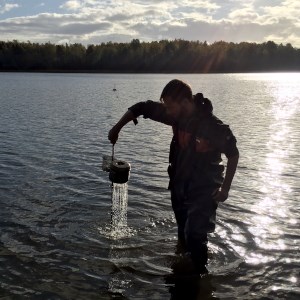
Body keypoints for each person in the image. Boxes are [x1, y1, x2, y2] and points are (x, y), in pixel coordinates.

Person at [108, 79, 239, 274]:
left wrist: (225, 188)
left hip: (205, 188)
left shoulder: (213, 127)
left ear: (185, 103)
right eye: (165, 107)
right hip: (179, 185)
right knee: (183, 234)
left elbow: (233, 154)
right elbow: (141, 107)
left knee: (195, 234)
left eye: (170, 107)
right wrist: (117, 128)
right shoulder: (176, 115)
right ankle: (182, 274)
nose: (167, 112)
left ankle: (199, 278)